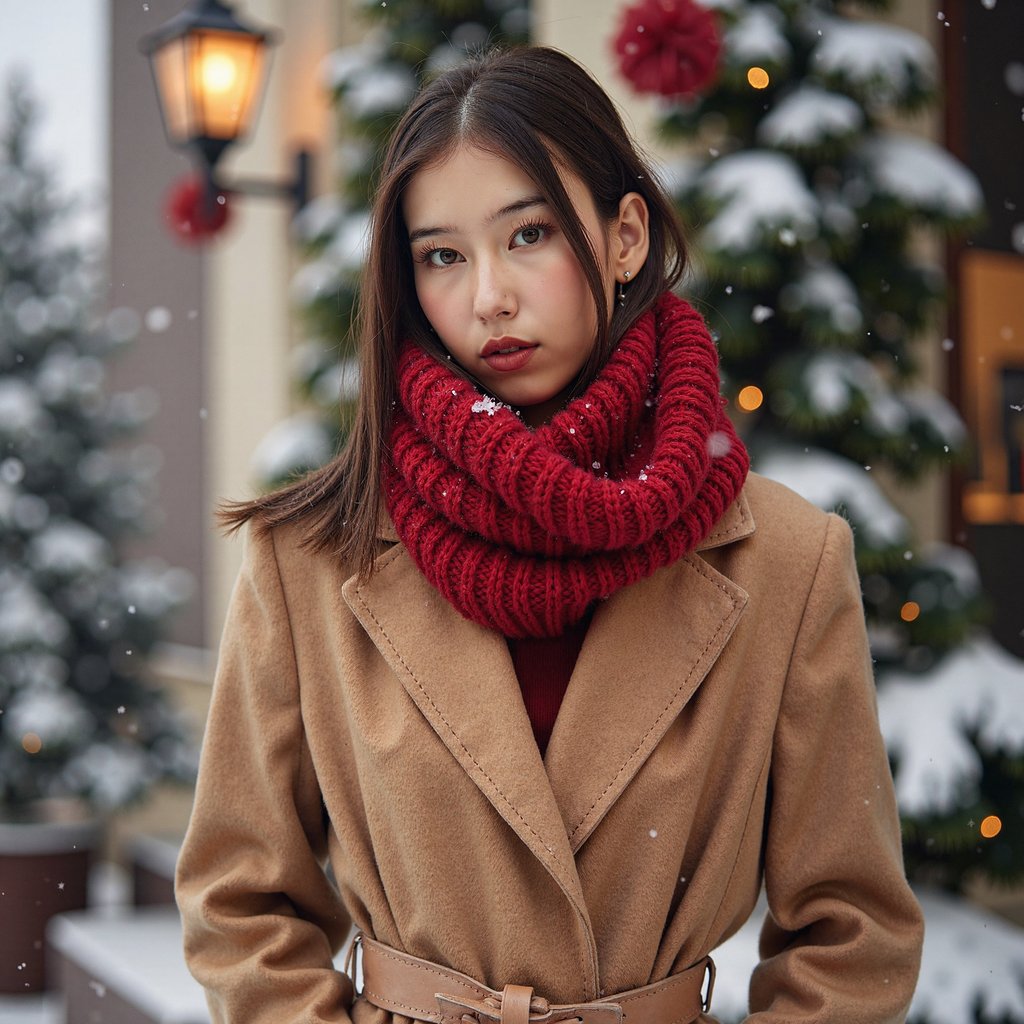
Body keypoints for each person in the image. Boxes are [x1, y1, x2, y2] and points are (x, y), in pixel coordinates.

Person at [176, 45, 923, 1024]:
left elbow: (853, 933)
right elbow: (238, 901)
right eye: (442, 255)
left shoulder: (787, 558)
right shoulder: (311, 558)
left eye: (528, 234)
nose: (488, 295)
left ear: (625, 237)